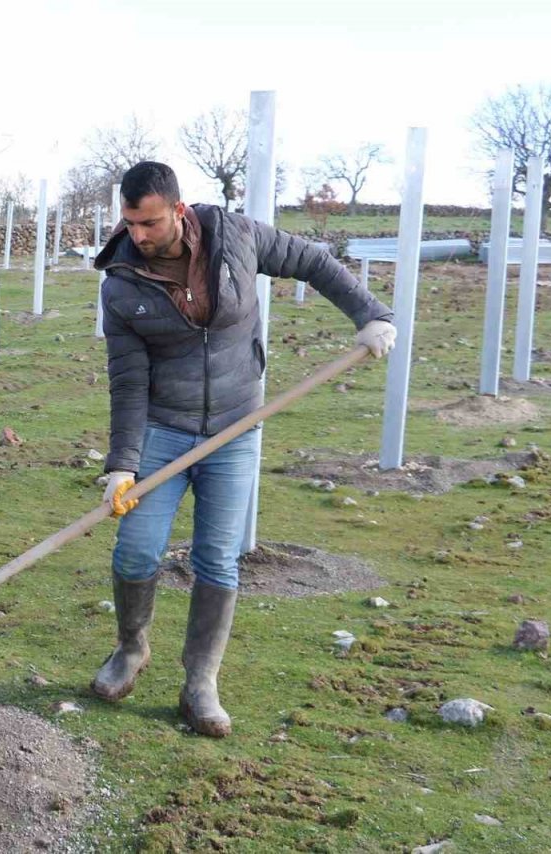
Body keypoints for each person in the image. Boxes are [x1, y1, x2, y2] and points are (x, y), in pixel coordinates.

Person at [90, 161, 395, 737]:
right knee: (136, 550)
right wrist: (123, 463)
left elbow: (313, 261)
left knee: (217, 557)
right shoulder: (121, 284)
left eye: (149, 223)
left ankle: (201, 682)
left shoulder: (237, 237)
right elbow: (127, 380)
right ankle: (131, 650)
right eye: (129, 224)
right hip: (162, 429)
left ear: (178, 211)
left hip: (236, 427)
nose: (139, 236)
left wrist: (370, 314)